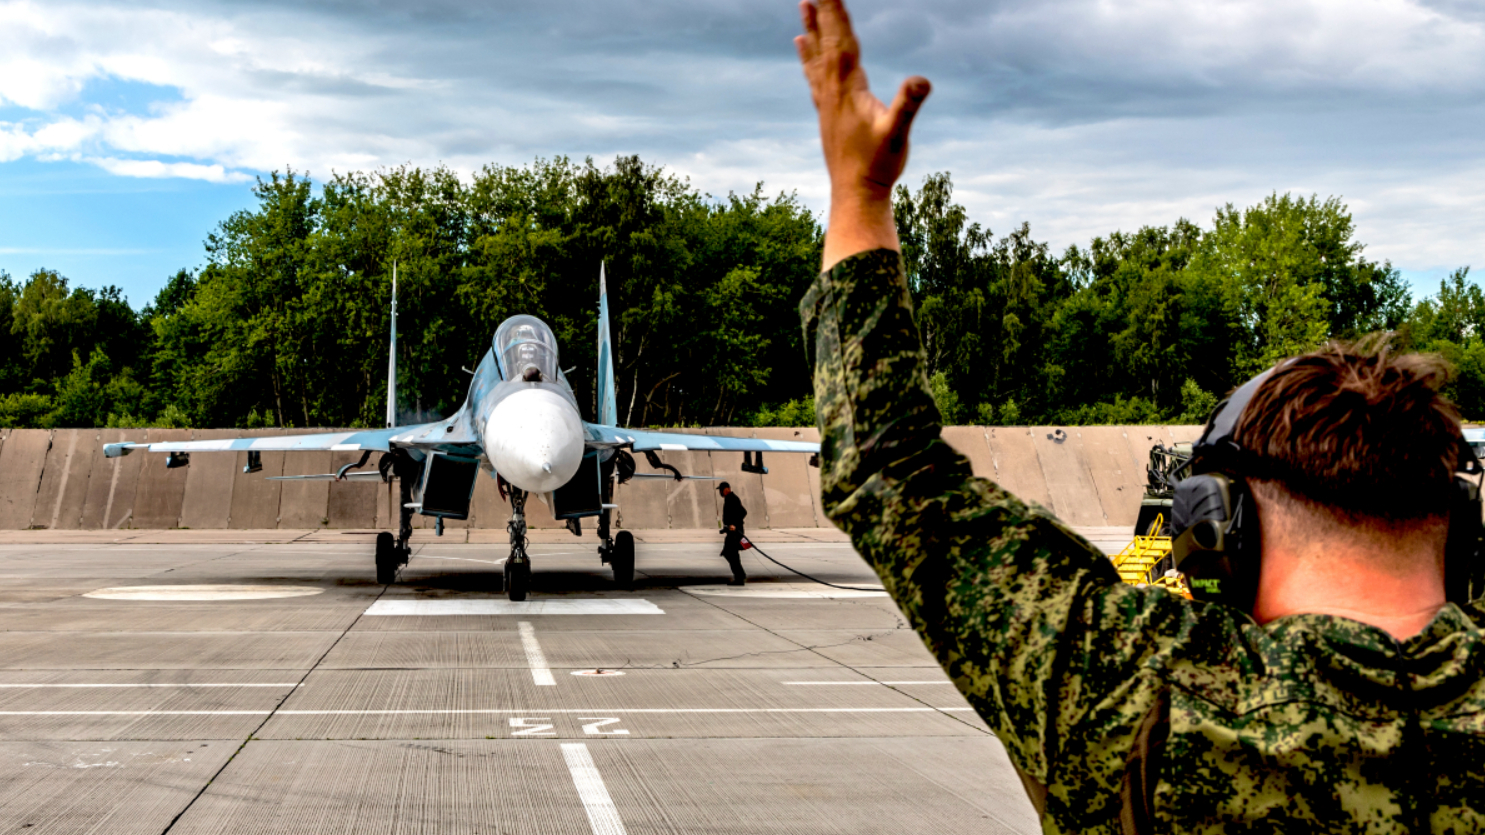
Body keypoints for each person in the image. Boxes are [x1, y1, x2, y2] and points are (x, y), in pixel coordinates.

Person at [793, 0, 1485, 831]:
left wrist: (859, 195)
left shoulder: (1140, 696)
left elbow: (888, 471)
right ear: (1461, 528)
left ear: (1218, 530)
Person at [717, 481, 747, 585]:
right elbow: (741, 512)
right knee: (730, 553)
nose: (720, 493)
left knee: (730, 553)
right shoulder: (731, 498)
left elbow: (742, 512)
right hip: (732, 532)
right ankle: (740, 575)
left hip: (734, 533)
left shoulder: (732, 499)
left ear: (725, 490)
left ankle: (739, 577)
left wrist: (734, 524)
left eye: (720, 490)